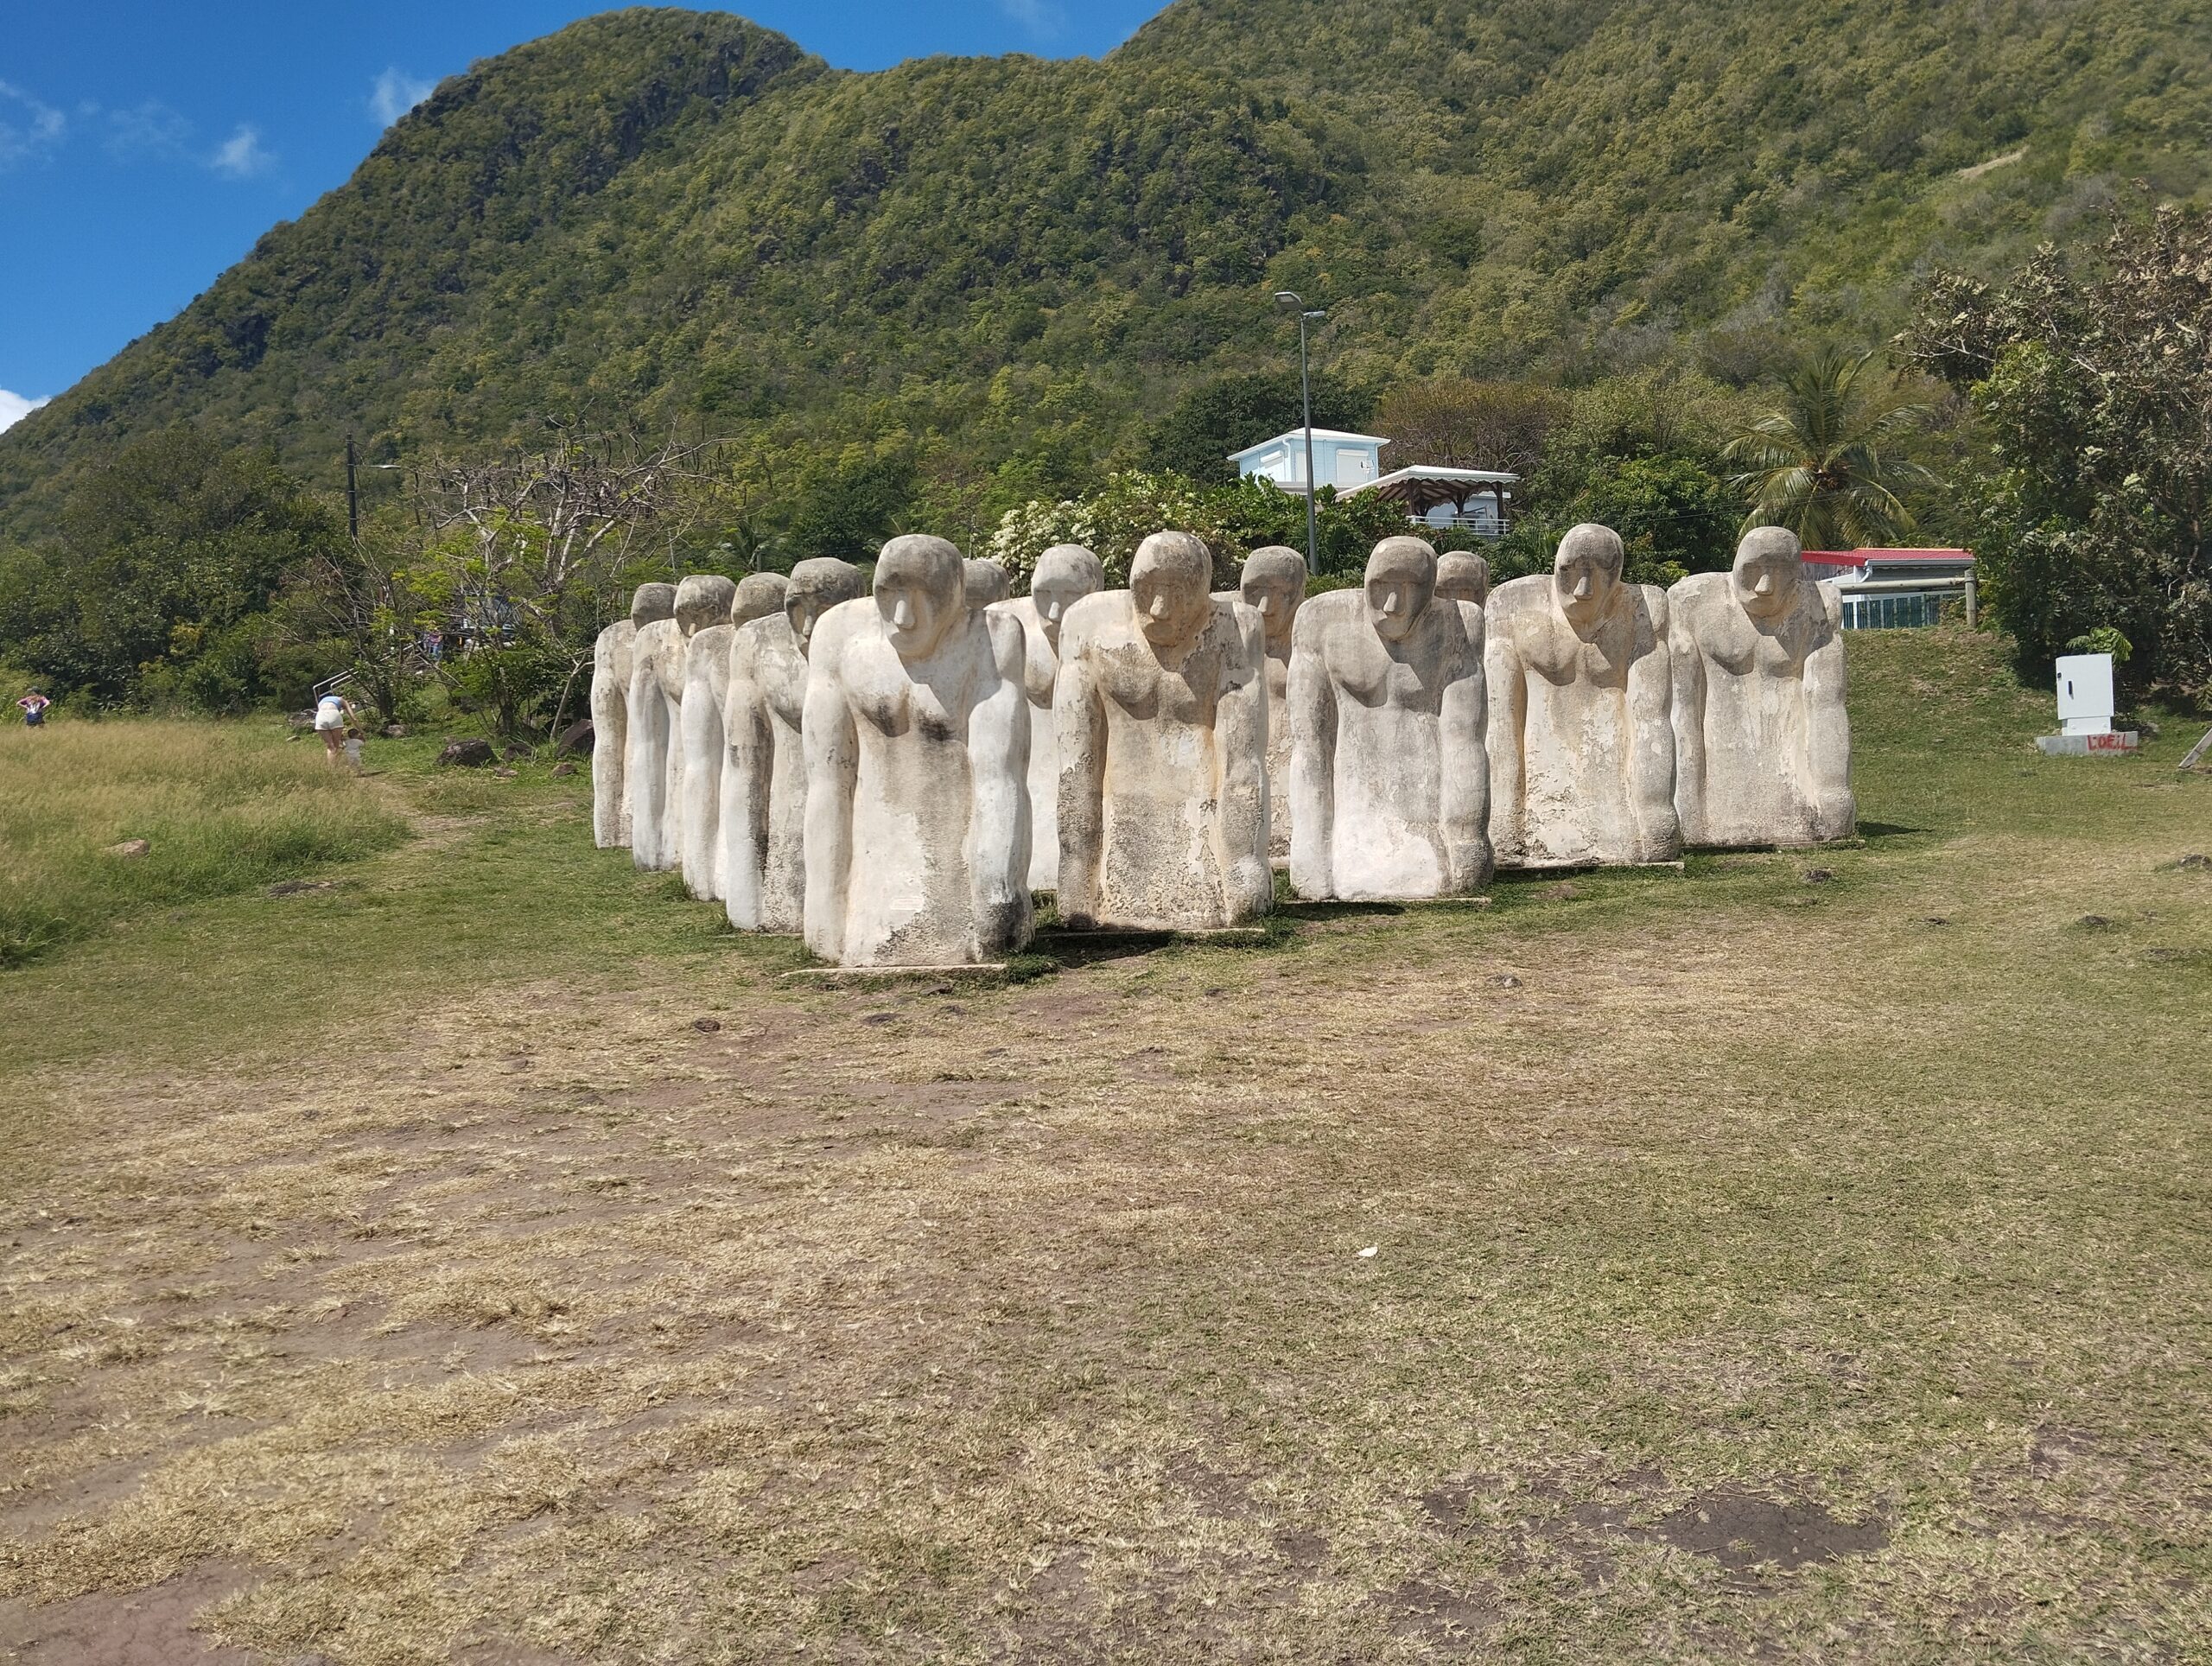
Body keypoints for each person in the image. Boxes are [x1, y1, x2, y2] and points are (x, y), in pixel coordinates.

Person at [313, 690, 359, 766]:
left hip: (320, 716)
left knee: (330, 747)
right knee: (336, 745)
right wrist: (361, 730)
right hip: (334, 715)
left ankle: (332, 769)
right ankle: (336, 766)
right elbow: (353, 718)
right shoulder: (341, 700)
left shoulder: (321, 702)